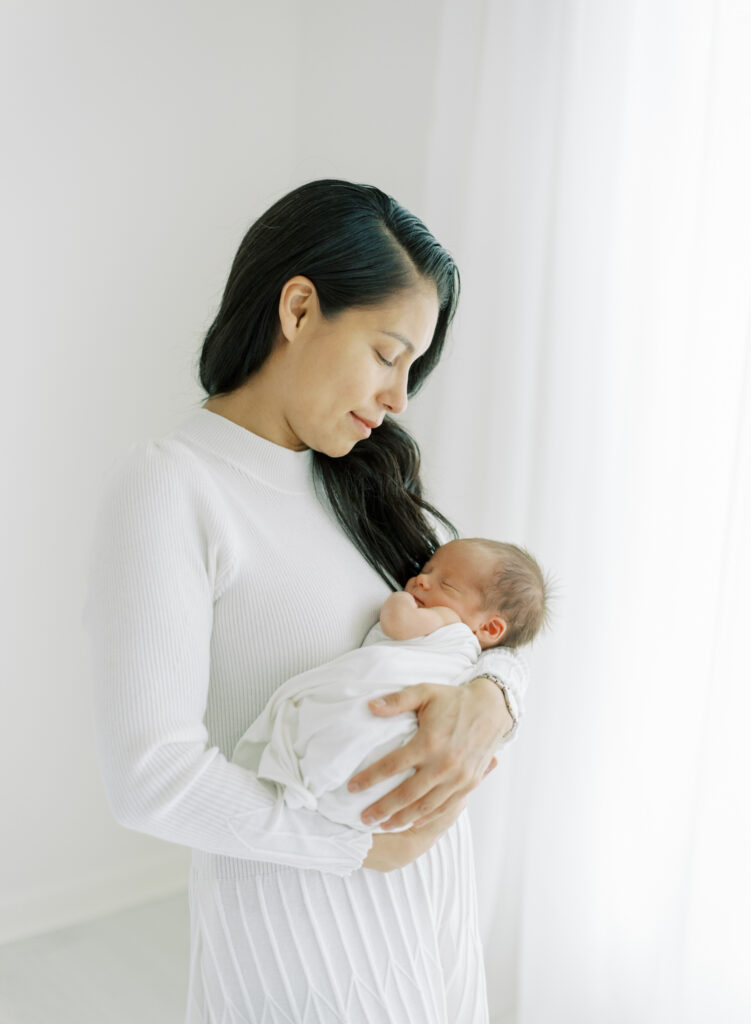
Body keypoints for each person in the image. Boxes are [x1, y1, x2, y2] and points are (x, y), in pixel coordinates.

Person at [83, 179, 530, 1024]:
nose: (399, 398)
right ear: (297, 309)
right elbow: (149, 776)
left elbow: (484, 626)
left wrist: (495, 699)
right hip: (302, 936)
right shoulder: (170, 488)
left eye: (413, 368)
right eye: (388, 353)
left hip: (427, 911)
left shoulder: (363, 485)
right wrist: (359, 847)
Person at [233, 538, 548, 833]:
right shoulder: (468, 657)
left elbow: (398, 624)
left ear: (490, 627)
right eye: (425, 571)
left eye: (446, 584)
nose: (421, 581)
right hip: (385, 816)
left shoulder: (450, 624)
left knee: (361, 722)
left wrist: (399, 600)